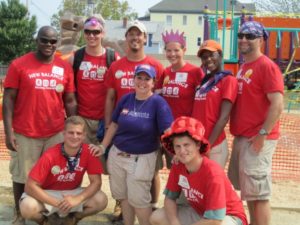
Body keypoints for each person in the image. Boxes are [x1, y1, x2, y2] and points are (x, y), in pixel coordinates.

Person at [3, 26, 77, 225]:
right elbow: (8, 99)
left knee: (53, 175)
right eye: (44, 40)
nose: (49, 45)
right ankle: (20, 214)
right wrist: (8, 132)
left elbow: (69, 101)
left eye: (53, 42)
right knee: (22, 175)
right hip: (26, 131)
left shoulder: (64, 68)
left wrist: (74, 130)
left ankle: (49, 212)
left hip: (55, 132)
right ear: (37, 40)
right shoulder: (19, 65)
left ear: (57, 43)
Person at [93, 64, 173, 225]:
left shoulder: (158, 103)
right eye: (139, 77)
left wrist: (174, 154)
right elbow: (114, 124)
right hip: (117, 155)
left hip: (142, 159)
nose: (142, 82)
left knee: (140, 201)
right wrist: (103, 146)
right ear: (133, 79)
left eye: (147, 79)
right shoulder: (126, 99)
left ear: (153, 82)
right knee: (123, 196)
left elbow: (168, 132)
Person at [104, 20, 164, 218]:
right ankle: (123, 210)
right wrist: (107, 128)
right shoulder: (116, 66)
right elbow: (111, 97)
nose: (135, 37)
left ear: (145, 38)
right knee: (123, 178)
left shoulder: (156, 65)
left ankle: (152, 208)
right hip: (122, 128)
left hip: (147, 136)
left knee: (150, 174)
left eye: (139, 34)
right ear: (126, 38)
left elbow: (160, 99)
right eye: (131, 33)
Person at [228, 21, 284, 225]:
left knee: (259, 196)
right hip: (244, 137)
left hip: (257, 138)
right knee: (250, 194)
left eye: (250, 36)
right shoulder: (244, 66)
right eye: (241, 35)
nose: (244, 39)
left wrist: (262, 134)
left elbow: (277, 104)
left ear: (261, 40)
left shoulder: (267, 66)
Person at [150, 116, 248, 225]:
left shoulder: (212, 172)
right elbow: (169, 199)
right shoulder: (178, 164)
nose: (182, 151)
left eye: (186, 145)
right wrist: (174, 222)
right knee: (157, 217)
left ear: (198, 145)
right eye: (177, 146)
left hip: (227, 217)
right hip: (201, 213)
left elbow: (215, 220)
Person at [19, 116, 108, 225]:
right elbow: (30, 186)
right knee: (27, 206)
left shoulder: (89, 152)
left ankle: (73, 219)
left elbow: (96, 182)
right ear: (64, 134)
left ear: (84, 135)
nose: (75, 136)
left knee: (101, 199)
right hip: (50, 194)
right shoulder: (50, 155)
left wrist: (77, 199)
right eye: (71, 133)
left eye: (79, 133)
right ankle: (46, 221)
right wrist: (57, 203)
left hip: (73, 193)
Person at [70, 15, 119, 145]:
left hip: (105, 120)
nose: (91, 35)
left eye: (96, 32)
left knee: (102, 162)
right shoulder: (75, 57)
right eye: (87, 31)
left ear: (103, 33)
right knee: (82, 161)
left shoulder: (113, 57)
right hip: (82, 120)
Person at [192, 40, 238, 168]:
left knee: (212, 185)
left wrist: (208, 145)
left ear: (220, 54)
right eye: (204, 57)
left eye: (212, 55)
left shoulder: (228, 80)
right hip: (198, 143)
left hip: (214, 146)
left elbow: (223, 118)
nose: (208, 60)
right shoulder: (205, 82)